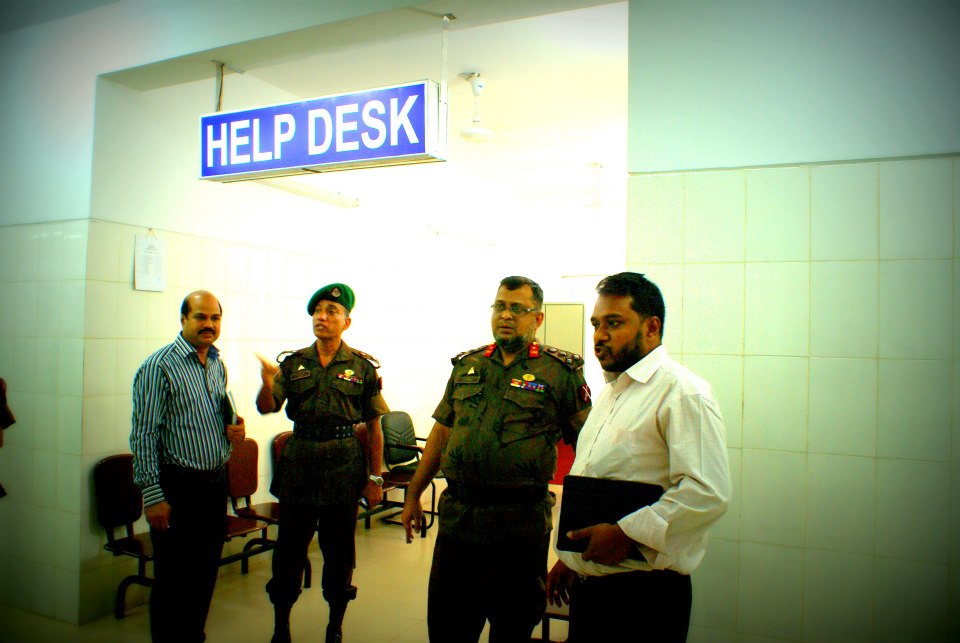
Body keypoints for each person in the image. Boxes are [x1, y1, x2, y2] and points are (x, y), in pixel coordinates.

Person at [402, 275, 593, 643]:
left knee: (512, 627)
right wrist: (414, 493)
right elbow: (442, 434)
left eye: (517, 309)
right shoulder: (467, 366)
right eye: (500, 307)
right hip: (459, 521)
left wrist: (575, 541)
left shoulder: (560, 372)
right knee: (447, 627)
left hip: (519, 526)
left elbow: (588, 450)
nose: (506, 315)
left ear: (537, 318)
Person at [545, 272, 732, 643]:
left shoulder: (682, 393)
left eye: (614, 323)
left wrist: (625, 535)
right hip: (593, 588)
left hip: (643, 599)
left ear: (651, 327)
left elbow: (708, 492)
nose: (599, 335)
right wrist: (571, 561)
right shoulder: (613, 393)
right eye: (596, 324)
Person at [256, 283, 389, 643]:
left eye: (331, 311)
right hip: (299, 466)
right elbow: (267, 407)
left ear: (347, 321)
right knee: (289, 552)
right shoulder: (293, 363)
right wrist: (267, 382)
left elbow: (374, 428)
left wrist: (375, 477)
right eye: (318, 311)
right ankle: (281, 625)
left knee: (339, 553)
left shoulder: (362, 367)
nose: (322, 317)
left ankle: (335, 624)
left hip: (343, 469)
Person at [130, 290, 246, 643]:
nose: (209, 324)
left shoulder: (217, 364)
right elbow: (144, 434)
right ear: (184, 319)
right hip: (177, 488)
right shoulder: (158, 367)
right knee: (173, 581)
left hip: (214, 484)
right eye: (200, 317)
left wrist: (235, 429)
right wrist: (153, 495)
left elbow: (215, 418)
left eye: (215, 318)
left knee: (204, 574)